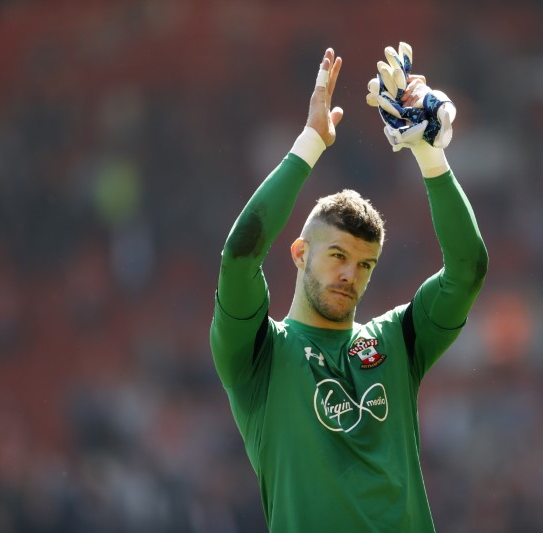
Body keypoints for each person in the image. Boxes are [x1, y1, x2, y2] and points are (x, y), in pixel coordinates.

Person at [209, 46, 488, 532]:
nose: (350, 275)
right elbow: (238, 258)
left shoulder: (397, 340)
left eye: (365, 264)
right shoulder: (259, 356)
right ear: (300, 254)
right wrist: (310, 143)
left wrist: (429, 152)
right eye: (337, 256)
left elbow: (468, 269)